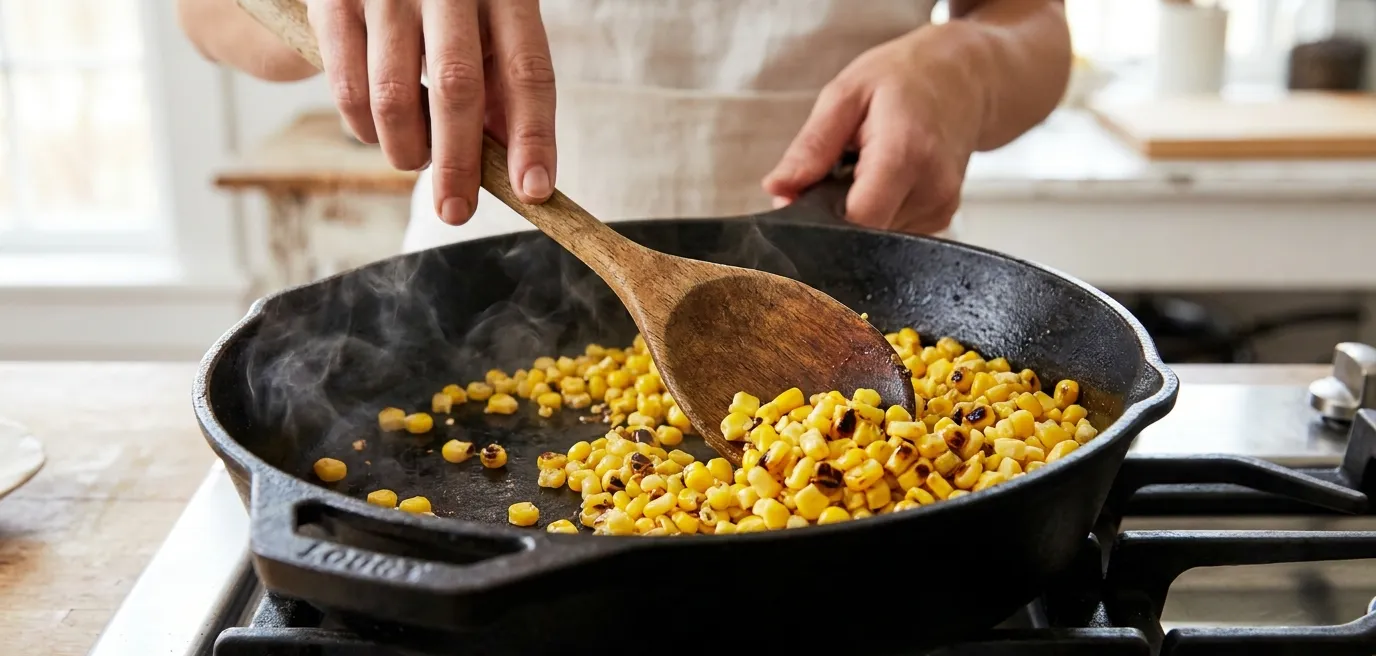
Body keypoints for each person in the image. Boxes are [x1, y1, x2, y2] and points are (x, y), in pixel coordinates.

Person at [178, 0, 1069, 252]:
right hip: (484, 278)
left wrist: (971, 63)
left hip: (872, 296)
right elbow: (205, 13)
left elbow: (1033, 27)